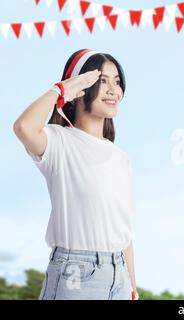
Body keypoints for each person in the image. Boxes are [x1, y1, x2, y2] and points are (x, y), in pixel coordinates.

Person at [12, 49, 139, 300]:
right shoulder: (58, 141)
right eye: (102, 81)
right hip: (76, 276)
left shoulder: (121, 158)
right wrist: (61, 90)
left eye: (117, 81)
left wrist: (132, 288)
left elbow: (123, 232)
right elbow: (24, 127)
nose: (113, 89)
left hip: (119, 277)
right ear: (80, 87)